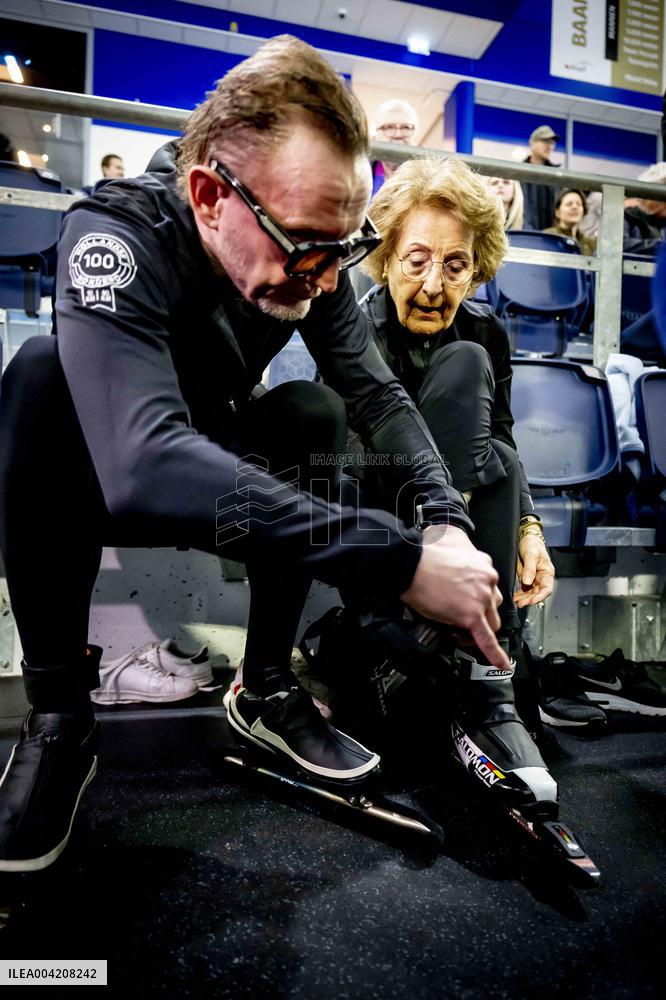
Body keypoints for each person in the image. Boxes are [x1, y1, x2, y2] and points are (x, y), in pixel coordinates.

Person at [0, 35, 506, 873]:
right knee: (38, 375)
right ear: (208, 196)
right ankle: (60, 717)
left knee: (313, 409)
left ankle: (266, 685)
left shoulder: (313, 254)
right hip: (111, 472)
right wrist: (397, 555)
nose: (322, 277)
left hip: (224, 477)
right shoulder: (116, 233)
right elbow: (146, 467)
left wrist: (446, 522)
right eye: (306, 245)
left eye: (340, 249)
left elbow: (378, 395)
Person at [357, 155, 555, 650]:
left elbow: (501, 438)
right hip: (379, 493)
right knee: (469, 373)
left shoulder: (486, 328)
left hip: (460, 494)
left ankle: (486, 658)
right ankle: (485, 649)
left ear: (475, 269)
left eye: (454, 265)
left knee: (502, 454)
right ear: (386, 258)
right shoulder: (355, 331)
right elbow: (344, 456)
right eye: (417, 259)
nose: (432, 285)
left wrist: (531, 529)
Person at [371, 99, 420, 196]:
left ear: (416, 136)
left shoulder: (432, 178)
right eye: (389, 127)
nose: (398, 134)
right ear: (375, 136)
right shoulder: (358, 174)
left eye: (406, 127)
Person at [522, 125, 560, 230]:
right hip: (524, 233)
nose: (549, 146)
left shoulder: (557, 177)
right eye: (545, 141)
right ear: (532, 143)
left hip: (550, 236)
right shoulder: (518, 173)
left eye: (552, 143)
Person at [543, 188, 597, 255]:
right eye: (569, 204)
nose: (575, 207)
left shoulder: (589, 245)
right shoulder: (548, 237)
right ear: (557, 212)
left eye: (579, 204)